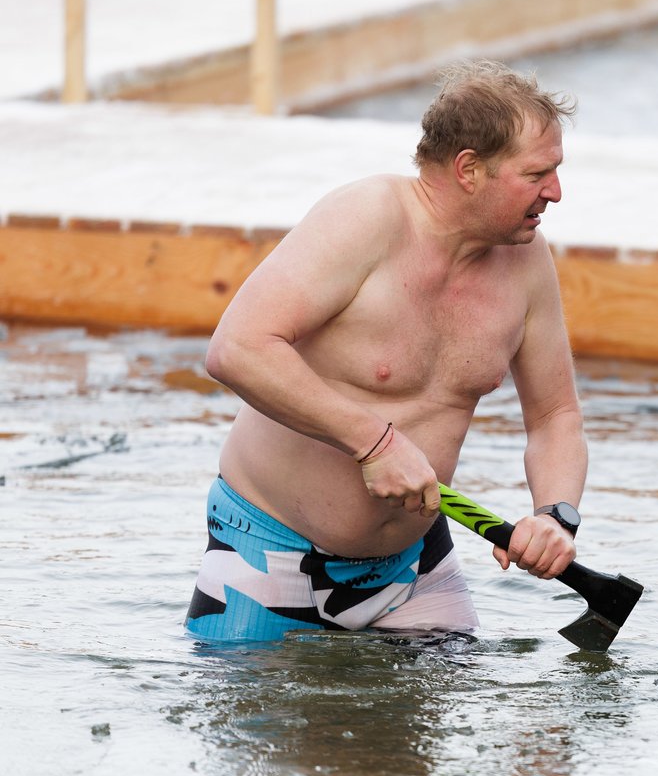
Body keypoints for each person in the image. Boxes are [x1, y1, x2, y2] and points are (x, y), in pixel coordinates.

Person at [187, 60, 586, 642]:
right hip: (267, 551)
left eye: (556, 171)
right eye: (536, 174)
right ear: (469, 169)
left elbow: (555, 416)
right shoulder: (365, 218)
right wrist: (374, 443)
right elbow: (237, 349)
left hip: (412, 567)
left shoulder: (527, 260)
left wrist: (556, 515)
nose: (555, 191)